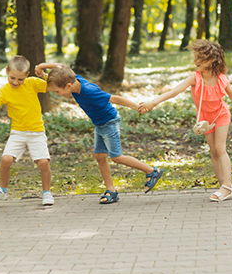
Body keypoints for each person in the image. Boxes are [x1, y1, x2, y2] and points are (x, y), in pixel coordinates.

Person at [36, 63, 162, 204]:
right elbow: (62, 67)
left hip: (109, 121)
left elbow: (114, 98)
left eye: (57, 92)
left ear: (68, 87)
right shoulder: (72, 79)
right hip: (100, 123)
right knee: (100, 156)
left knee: (117, 157)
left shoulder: (89, 91)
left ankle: (152, 171)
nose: (56, 94)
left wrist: (137, 107)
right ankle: (111, 190)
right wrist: (42, 67)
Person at [139, 40, 232, 202]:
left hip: (220, 115)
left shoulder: (221, 79)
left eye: (200, 59)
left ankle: (227, 186)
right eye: (196, 57)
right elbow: (173, 92)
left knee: (220, 148)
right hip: (204, 119)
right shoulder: (195, 78)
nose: (195, 61)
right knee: (213, 151)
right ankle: (223, 186)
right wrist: (152, 103)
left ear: (212, 61)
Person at [0, 55, 55, 206]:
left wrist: (44, 75)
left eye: (20, 79)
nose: (16, 82)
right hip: (18, 132)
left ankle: (47, 193)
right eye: (12, 78)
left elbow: (52, 86)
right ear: (6, 71)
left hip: (36, 131)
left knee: (43, 162)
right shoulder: (3, 91)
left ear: (27, 75)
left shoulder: (32, 83)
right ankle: (2, 191)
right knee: (6, 160)